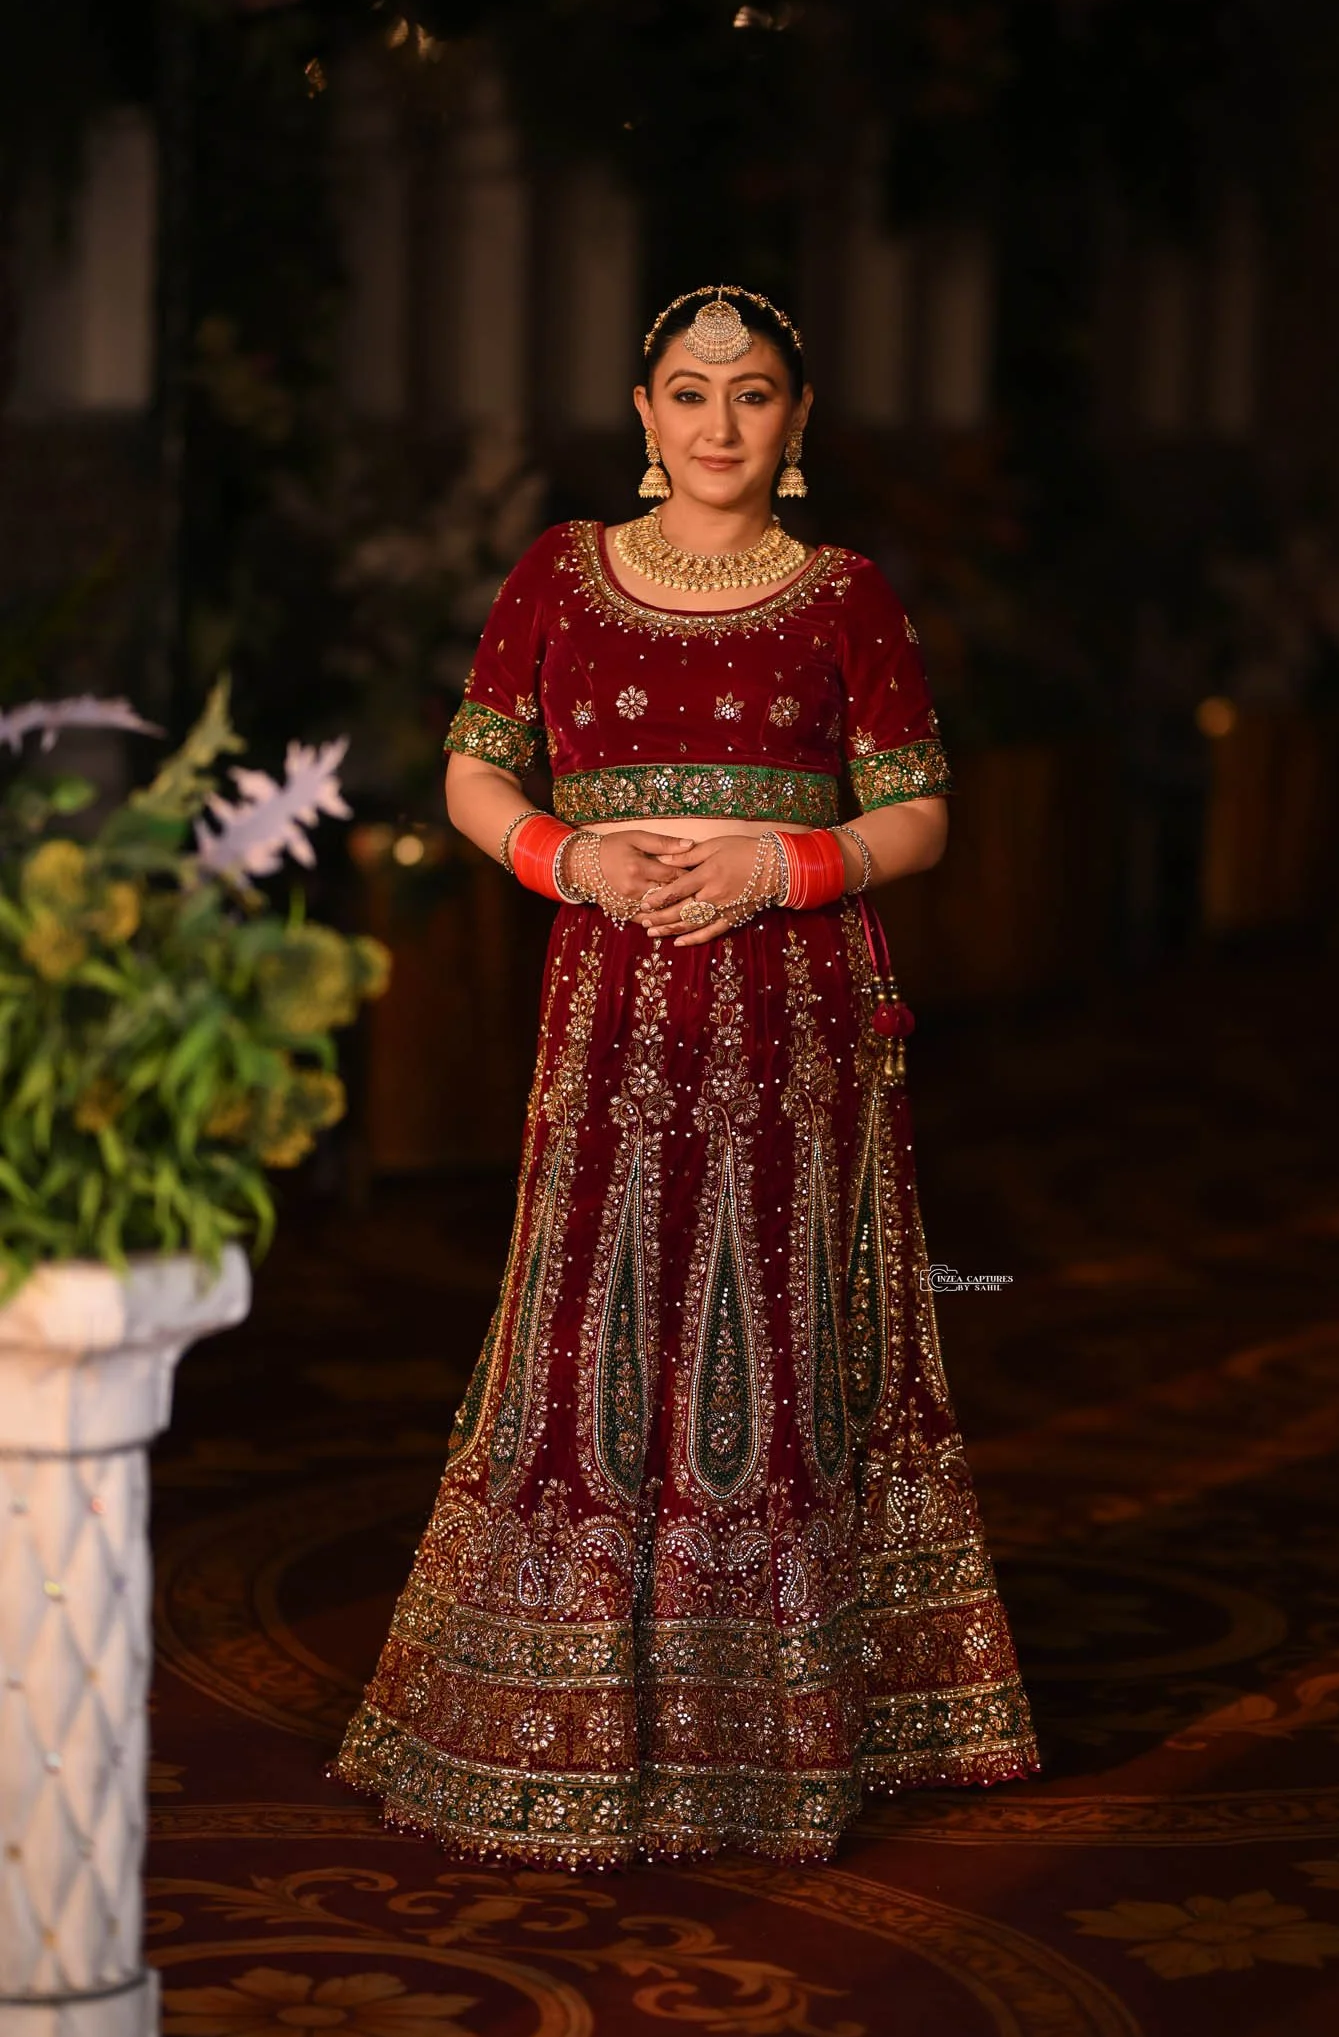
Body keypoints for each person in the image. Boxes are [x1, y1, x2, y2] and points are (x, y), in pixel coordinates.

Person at [332, 285, 1039, 1867]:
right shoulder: (557, 574)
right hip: (611, 1008)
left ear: (797, 421)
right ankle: (554, 1710)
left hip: (793, 1016)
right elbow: (473, 766)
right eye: (690, 393)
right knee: (588, 1324)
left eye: (755, 393)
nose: (721, 423)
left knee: (782, 1334)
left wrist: (782, 866)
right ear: (644, 413)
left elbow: (920, 814)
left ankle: (777, 1728)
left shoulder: (844, 594)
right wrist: (565, 854)